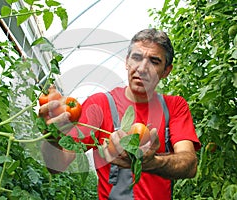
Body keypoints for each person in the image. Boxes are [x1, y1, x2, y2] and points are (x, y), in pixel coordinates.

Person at [39, 28, 201, 200]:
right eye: (136, 58)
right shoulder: (99, 105)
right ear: (127, 62)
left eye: (154, 61)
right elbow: (57, 165)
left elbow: (189, 165)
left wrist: (154, 163)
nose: (142, 68)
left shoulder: (174, 106)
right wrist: (52, 137)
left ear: (166, 71)